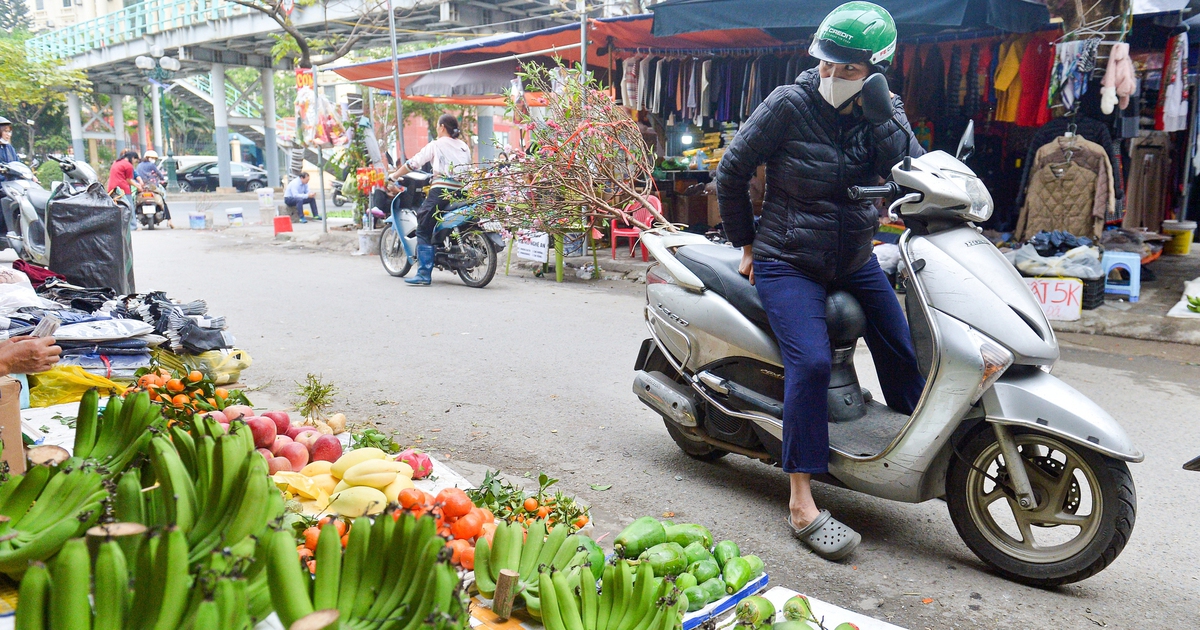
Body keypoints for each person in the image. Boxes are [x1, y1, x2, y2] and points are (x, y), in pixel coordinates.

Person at [715, 1, 925, 561]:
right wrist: (748, 241)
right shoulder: (789, 102)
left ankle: (911, 446)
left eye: (848, 70)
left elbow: (916, 170)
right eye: (827, 65)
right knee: (808, 363)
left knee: (902, 342)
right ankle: (801, 498)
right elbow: (731, 170)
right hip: (788, 258)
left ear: (875, 72)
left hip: (855, 254)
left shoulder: (885, 109)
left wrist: (885, 117)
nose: (832, 77)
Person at [387, 113, 471, 286]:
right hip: (463, 191)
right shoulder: (464, 146)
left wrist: (395, 175)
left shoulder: (436, 144)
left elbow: (413, 163)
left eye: (437, 127)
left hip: (442, 190)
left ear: (441, 127)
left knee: (423, 225)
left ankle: (424, 273)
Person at [107, 150, 139, 230]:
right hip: (122, 189)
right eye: (135, 160)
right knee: (129, 207)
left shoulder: (116, 162)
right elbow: (128, 180)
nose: (134, 162)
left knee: (114, 208)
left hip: (112, 188)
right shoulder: (128, 165)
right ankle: (133, 226)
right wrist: (138, 186)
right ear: (132, 158)